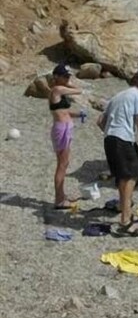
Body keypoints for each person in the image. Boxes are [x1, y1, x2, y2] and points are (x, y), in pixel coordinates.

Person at [97, 72, 138, 237]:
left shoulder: (117, 96)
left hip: (109, 139)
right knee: (132, 175)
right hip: (122, 138)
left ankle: (124, 209)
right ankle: (125, 220)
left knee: (122, 176)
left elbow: (100, 121)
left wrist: (110, 133)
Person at [47, 63, 84, 209]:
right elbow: (79, 90)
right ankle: (59, 200)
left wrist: (78, 114)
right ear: (57, 77)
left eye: (68, 76)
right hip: (61, 130)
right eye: (65, 76)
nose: (67, 79)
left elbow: (64, 112)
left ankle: (61, 195)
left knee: (65, 163)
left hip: (65, 128)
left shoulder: (59, 92)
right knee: (62, 165)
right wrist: (69, 83)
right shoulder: (57, 89)